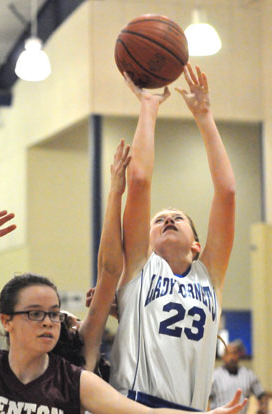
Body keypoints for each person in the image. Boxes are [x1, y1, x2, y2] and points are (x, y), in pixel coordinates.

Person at [0, 162, 247, 413]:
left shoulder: (77, 380)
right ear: (6, 320)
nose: (50, 321)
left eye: (54, 313)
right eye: (35, 313)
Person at [109, 63, 236, 411]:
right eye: (159, 220)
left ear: (197, 244)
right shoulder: (139, 266)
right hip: (132, 405)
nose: (166, 219)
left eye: (177, 218)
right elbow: (139, 182)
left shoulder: (209, 276)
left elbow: (226, 193)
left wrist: (205, 117)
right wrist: (148, 106)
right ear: (146, 241)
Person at [210, 340, 268, 414]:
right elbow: (205, 400)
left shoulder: (248, 375)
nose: (232, 357)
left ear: (239, 356)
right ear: (223, 357)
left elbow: (261, 395)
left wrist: (263, 407)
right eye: (228, 354)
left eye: (234, 353)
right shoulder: (214, 376)